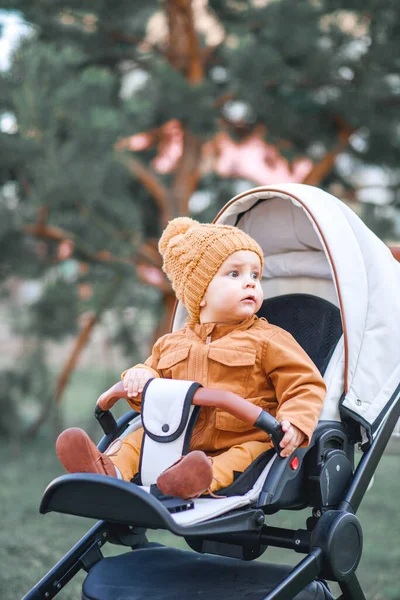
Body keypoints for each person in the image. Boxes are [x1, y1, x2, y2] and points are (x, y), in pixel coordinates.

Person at [56, 217, 326, 499]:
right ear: (200, 294)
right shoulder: (170, 344)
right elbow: (147, 398)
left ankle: (192, 480)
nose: (250, 283)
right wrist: (139, 377)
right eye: (234, 274)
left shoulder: (268, 339)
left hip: (243, 437)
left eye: (255, 276)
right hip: (178, 437)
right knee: (138, 438)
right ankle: (107, 470)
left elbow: (305, 384)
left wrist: (295, 421)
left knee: (244, 454)